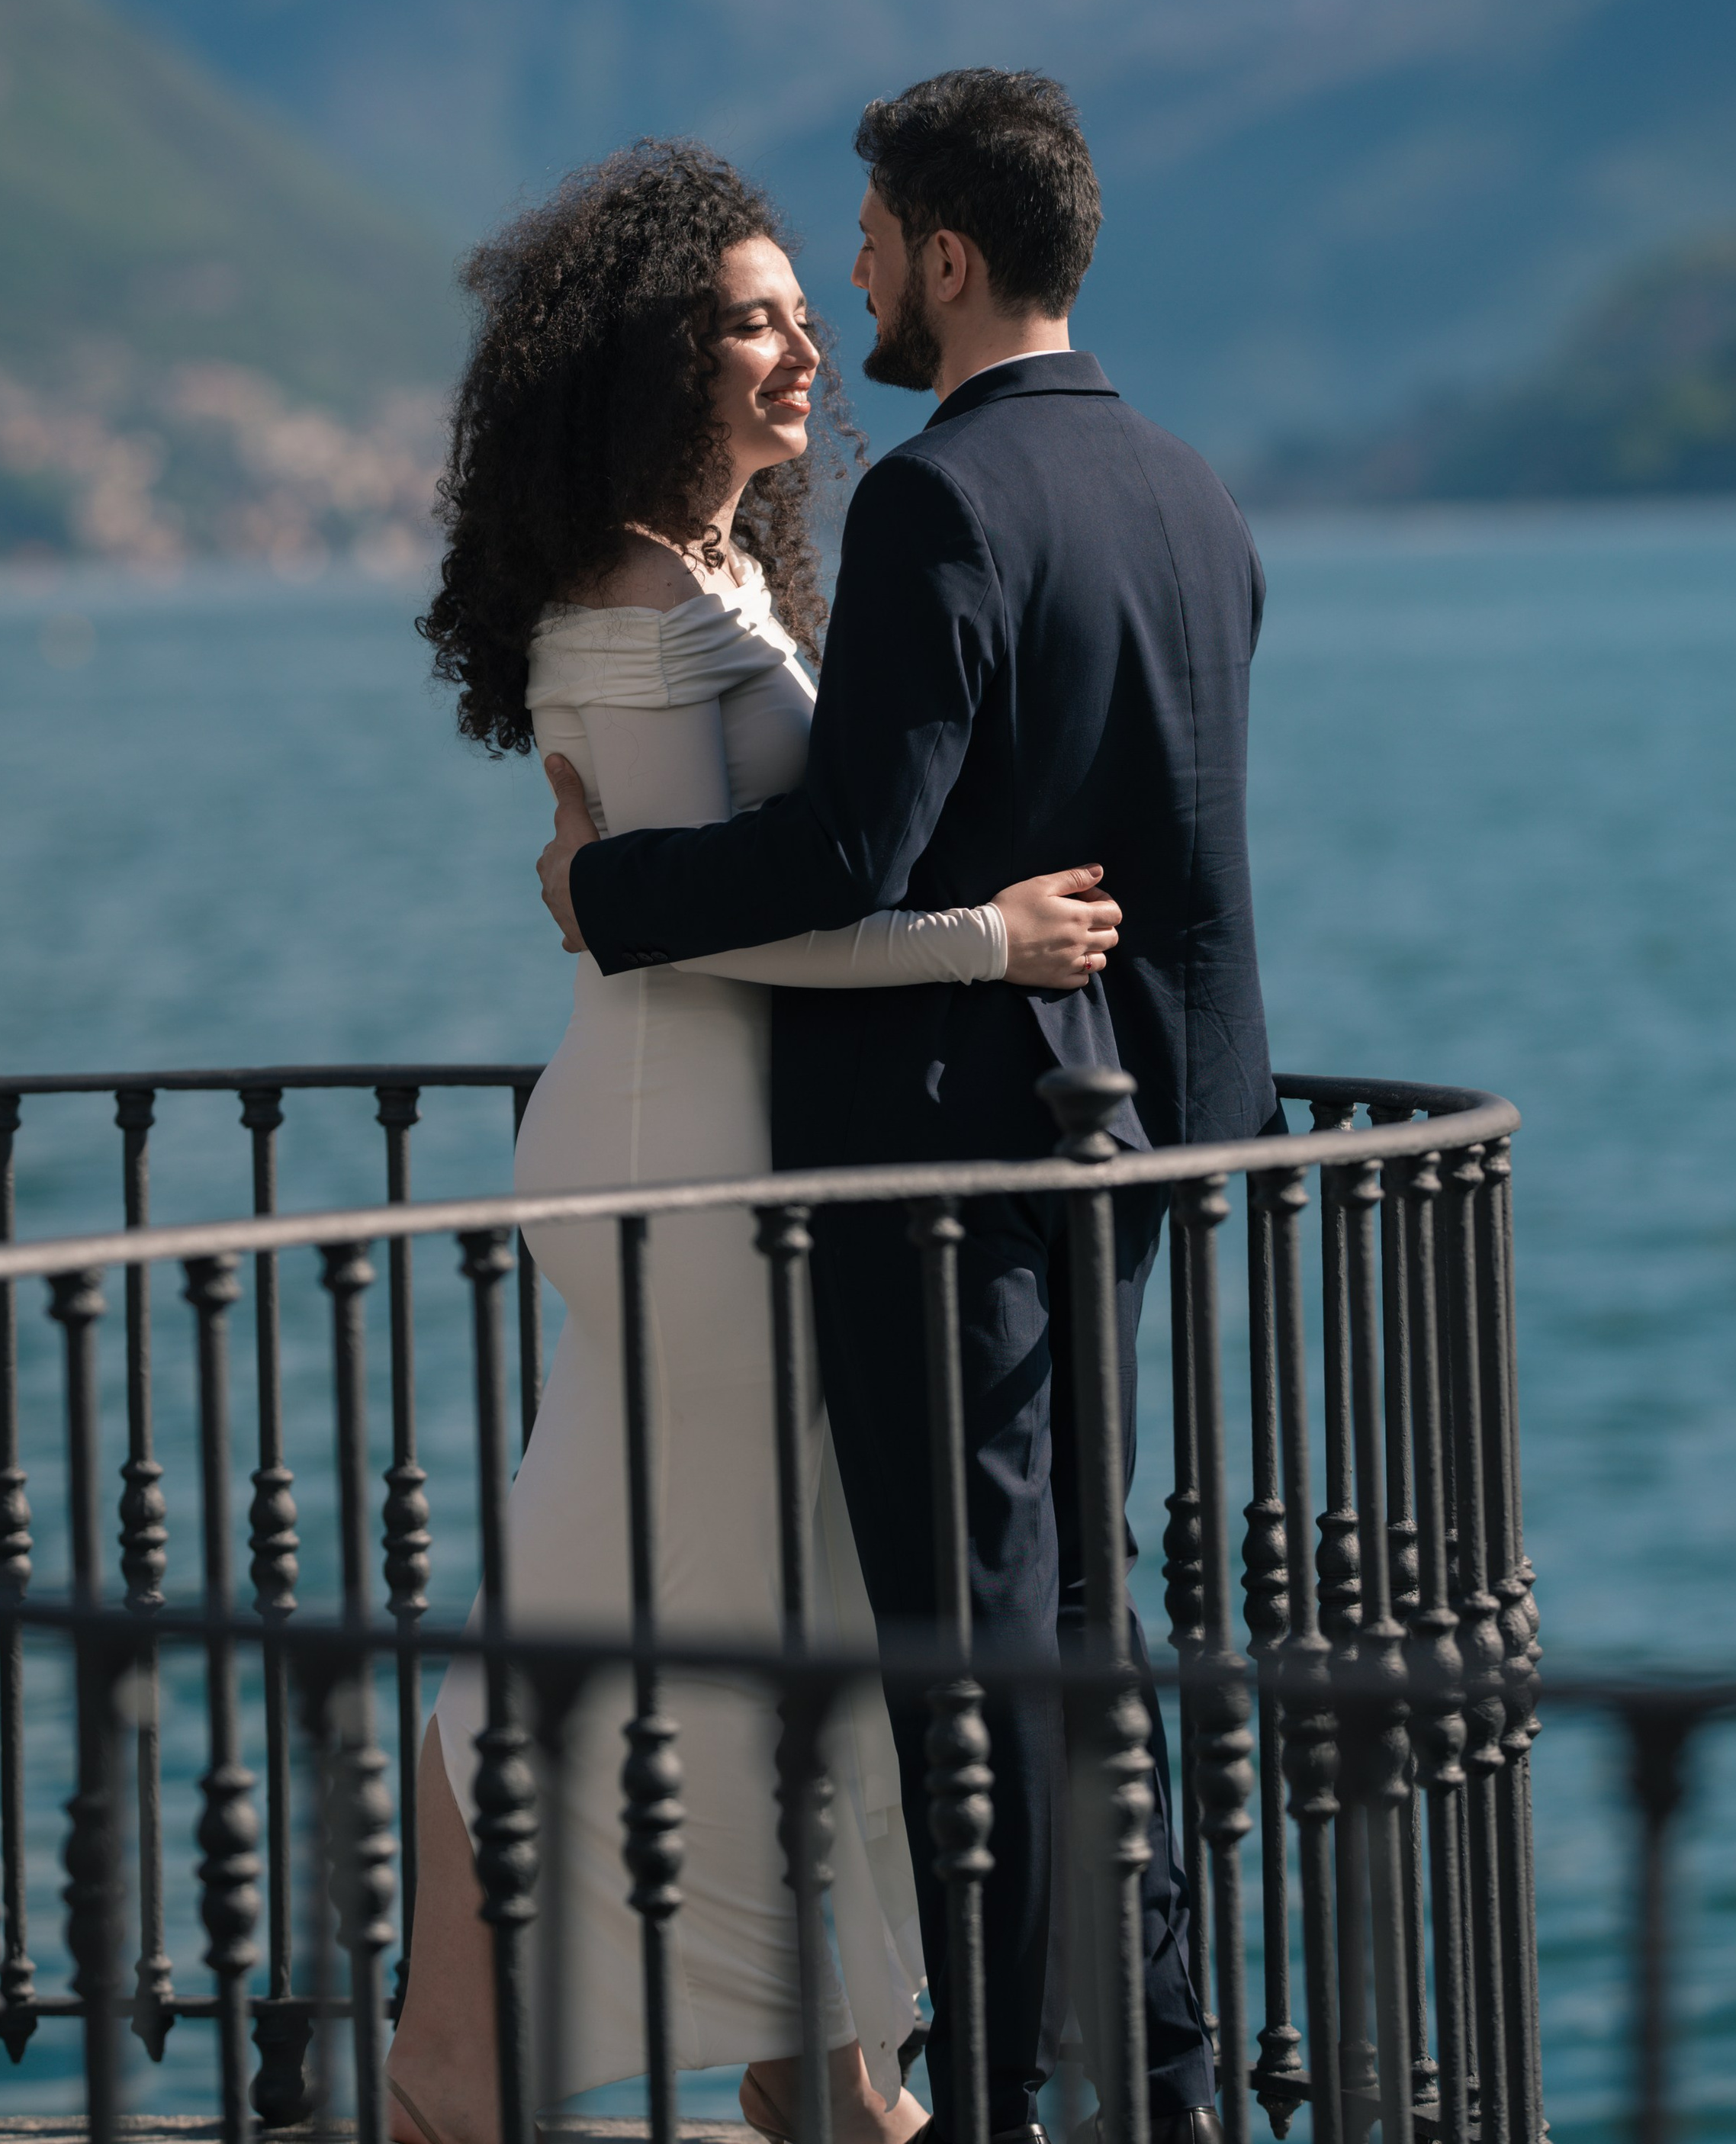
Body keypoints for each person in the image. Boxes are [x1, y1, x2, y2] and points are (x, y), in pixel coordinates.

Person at [542, 69, 1275, 2144]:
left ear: (947, 258)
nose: (852, 277)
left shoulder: (940, 503)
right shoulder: (1190, 494)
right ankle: (1176, 2075)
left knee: (976, 1646)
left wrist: (611, 892)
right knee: (1080, 1618)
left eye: (864, 244)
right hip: (1150, 1128)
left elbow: (853, 856)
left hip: (956, 1155)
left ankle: (999, 2102)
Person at [384, 141, 1119, 2144]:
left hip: (733, 1151)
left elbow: (738, 876)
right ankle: (460, 2069)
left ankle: (812, 2061)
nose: (805, 351)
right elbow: (740, 921)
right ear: (655, 354)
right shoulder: (629, 595)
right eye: (751, 318)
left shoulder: (717, 572)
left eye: (808, 311)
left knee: (736, 1603)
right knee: (631, 1600)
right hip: (669, 1153)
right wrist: (993, 942)